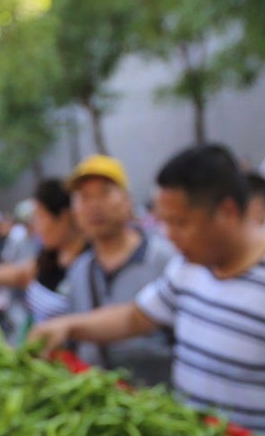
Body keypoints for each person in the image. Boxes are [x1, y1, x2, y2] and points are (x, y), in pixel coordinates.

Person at [30, 143, 265, 436]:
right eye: (164, 222)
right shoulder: (191, 267)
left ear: (226, 211)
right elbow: (135, 316)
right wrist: (68, 326)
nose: (169, 235)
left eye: (179, 222)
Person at [64, 154, 179, 385]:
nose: (94, 205)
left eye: (105, 192)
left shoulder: (165, 260)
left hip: (159, 402)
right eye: (84, 197)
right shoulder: (79, 270)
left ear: (127, 200)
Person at [0, 178, 88, 334]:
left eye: (40, 217)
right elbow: (18, 274)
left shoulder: (89, 264)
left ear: (63, 217)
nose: (36, 228)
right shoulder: (49, 259)